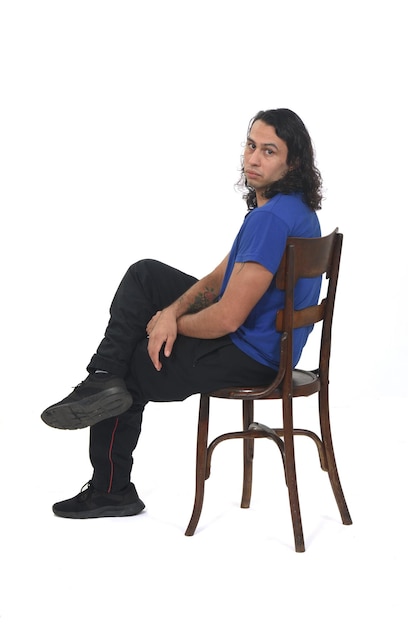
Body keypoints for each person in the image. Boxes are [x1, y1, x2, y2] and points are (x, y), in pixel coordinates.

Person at [41, 108, 323, 519]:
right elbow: (217, 277)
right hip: (269, 346)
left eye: (269, 151)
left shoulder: (270, 220)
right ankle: (100, 377)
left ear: (292, 162)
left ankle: (110, 487)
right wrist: (170, 311)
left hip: (251, 357)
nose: (253, 159)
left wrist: (167, 326)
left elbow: (227, 318)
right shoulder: (292, 210)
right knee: (146, 276)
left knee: (131, 370)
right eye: (250, 146)